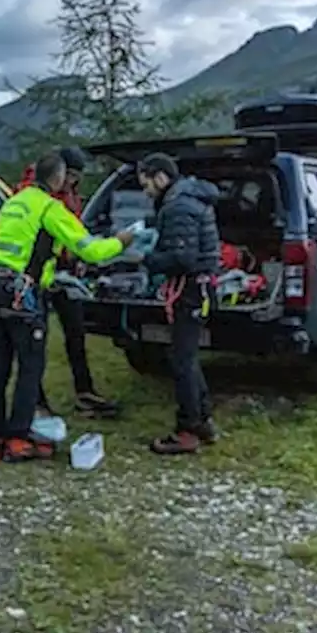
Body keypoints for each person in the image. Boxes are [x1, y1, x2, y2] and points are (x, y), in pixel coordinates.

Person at [0, 152, 134, 463]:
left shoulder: (15, 201)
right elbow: (91, 250)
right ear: (59, 178)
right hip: (22, 293)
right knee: (30, 366)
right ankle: (18, 437)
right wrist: (122, 241)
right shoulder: (51, 208)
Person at [17, 146, 119, 419]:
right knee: (35, 340)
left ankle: (85, 392)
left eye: (76, 177)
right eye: (70, 175)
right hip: (38, 275)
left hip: (66, 272)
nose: (73, 181)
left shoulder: (70, 194)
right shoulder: (34, 193)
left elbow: (75, 229)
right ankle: (36, 402)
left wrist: (78, 257)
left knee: (76, 333)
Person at [134, 153, 222, 455]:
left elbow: (182, 258)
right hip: (199, 288)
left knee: (181, 360)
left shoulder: (177, 206)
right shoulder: (188, 199)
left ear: (160, 177)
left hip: (190, 290)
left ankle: (187, 430)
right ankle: (203, 419)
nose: (145, 191)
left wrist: (146, 258)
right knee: (186, 356)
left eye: (146, 183)